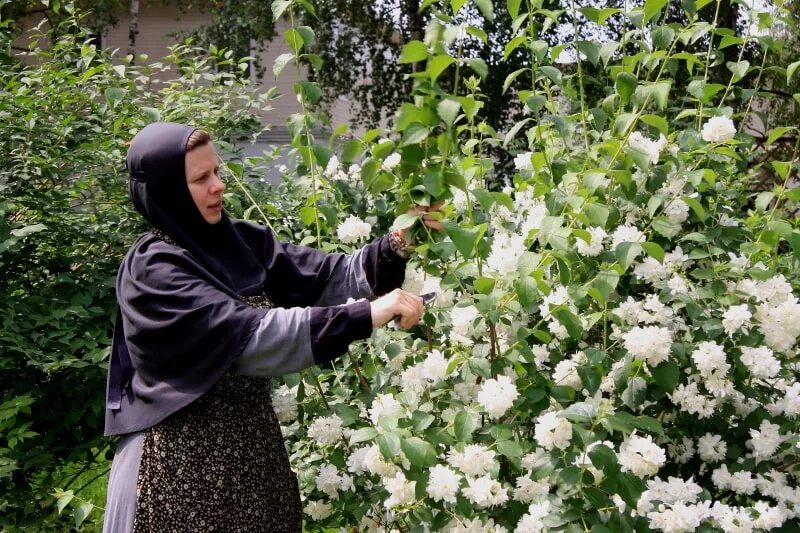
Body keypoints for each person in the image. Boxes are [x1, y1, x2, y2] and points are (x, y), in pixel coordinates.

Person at [102, 122, 443, 532]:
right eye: (200, 178)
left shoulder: (238, 240)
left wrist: (399, 242)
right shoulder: (153, 270)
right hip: (178, 471)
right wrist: (364, 314)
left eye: (216, 172)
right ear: (167, 192)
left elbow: (328, 280)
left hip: (252, 460)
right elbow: (250, 336)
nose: (219, 187)